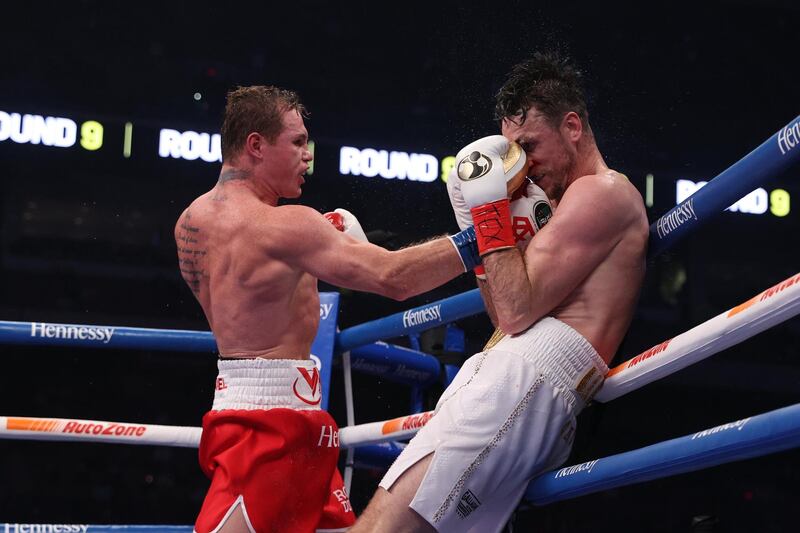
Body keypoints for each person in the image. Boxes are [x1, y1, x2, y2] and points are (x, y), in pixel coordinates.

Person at [351, 52, 649, 533]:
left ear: (572, 126)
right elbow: (502, 312)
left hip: (526, 378)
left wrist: (487, 211)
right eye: (512, 152)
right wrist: (478, 223)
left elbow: (513, 312)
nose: (522, 167)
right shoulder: (554, 204)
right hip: (511, 373)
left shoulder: (602, 193)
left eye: (529, 146)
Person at [175, 85, 483, 533]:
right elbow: (393, 278)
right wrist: (481, 236)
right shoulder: (288, 225)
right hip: (276, 430)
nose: (308, 156)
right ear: (256, 145)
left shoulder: (190, 222)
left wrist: (312, 252)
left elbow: (252, 290)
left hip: (244, 412)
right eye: (297, 142)